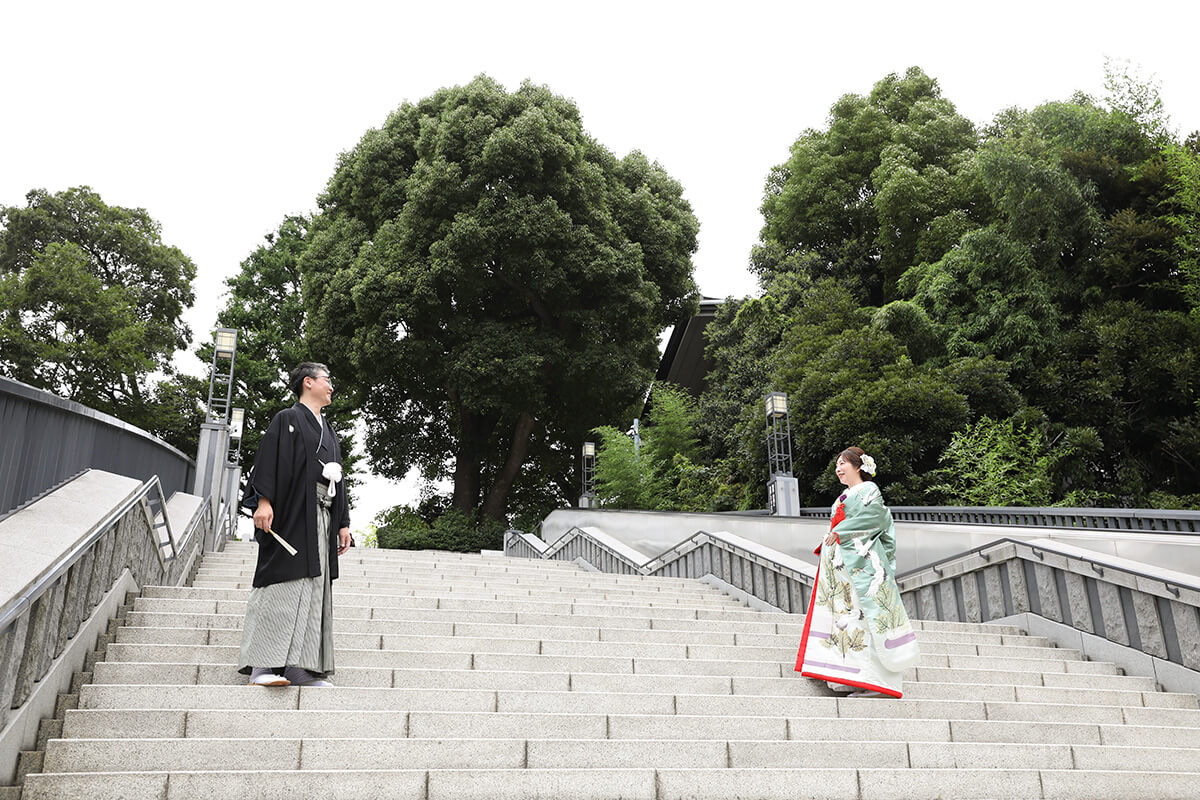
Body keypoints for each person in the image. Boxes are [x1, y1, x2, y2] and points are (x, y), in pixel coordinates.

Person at [236, 362, 351, 687]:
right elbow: (269, 461)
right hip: (291, 514)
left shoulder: (329, 432)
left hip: (323, 517)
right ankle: (263, 667)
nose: (331, 386)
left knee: (315, 590)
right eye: (327, 380)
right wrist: (264, 501)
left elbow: (339, 480)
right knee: (283, 584)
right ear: (308, 382)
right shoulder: (286, 419)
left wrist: (343, 522)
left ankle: (300, 668)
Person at [793, 447, 919, 698]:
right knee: (848, 620)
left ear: (858, 466)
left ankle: (879, 682)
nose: (838, 469)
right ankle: (851, 678)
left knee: (869, 620)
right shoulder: (845, 495)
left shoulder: (870, 491)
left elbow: (873, 520)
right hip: (845, 567)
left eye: (843, 464)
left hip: (863, 565)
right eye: (836, 465)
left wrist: (840, 532)